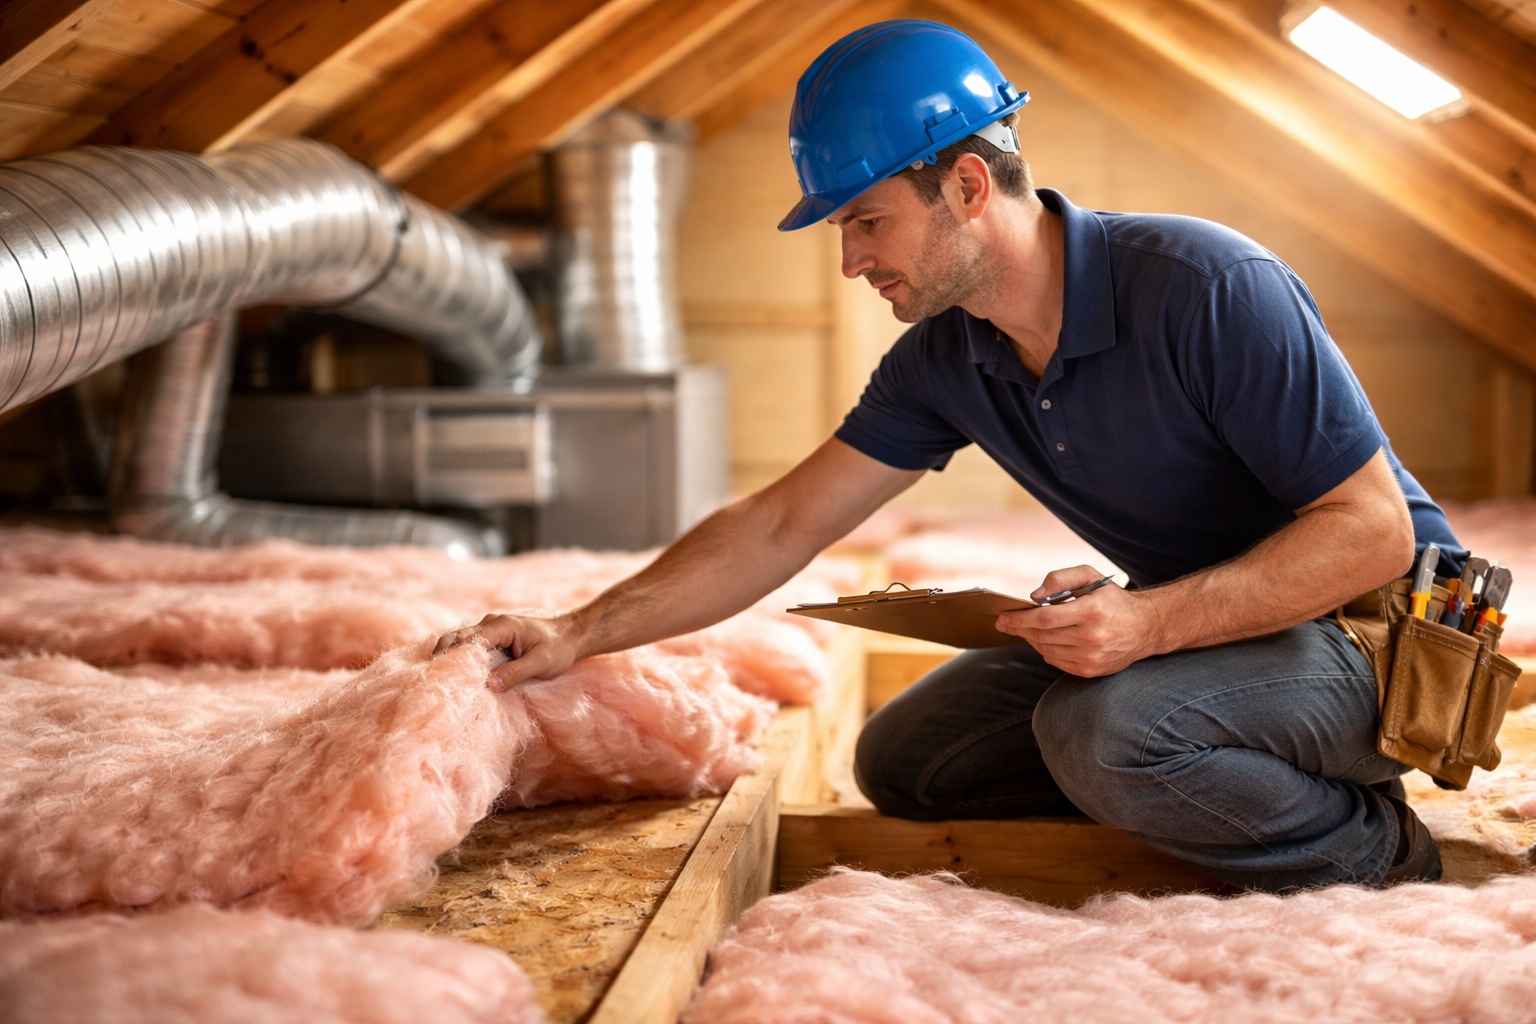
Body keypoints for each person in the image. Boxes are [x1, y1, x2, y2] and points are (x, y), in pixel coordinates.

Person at [438, 19, 1463, 890]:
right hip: (1221, 634)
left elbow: (1370, 534)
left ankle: (1377, 851)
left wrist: (1148, 621)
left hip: (1384, 642)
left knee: (1103, 732)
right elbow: (782, 521)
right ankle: (1200, 776)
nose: (851, 261)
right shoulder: (945, 356)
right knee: (909, 758)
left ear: (968, 184)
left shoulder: (1207, 285)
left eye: (869, 221)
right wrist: (579, 630)